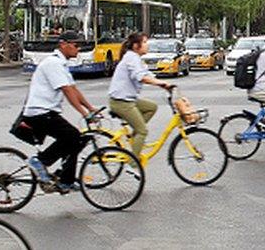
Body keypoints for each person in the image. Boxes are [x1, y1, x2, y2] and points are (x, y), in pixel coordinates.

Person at [21, 31, 99, 192]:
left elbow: (74, 89)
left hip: (48, 112)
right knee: (73, 137)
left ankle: (66, 179)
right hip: (39, 113)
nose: (78, 49)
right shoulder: (53, 64)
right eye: (76, 45)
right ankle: (39, 161)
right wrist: (84, 113)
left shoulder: (62, 64)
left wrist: (90, 108)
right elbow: (67, 91)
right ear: (63, 44)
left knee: (77, 140)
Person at [108, 32, 173, 158]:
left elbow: (147, 74)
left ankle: (135, 138)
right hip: (121, 102)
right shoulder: (131, 58)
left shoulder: (135, 58)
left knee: (151, 107)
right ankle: (132, 163)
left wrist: (162, 83)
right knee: (143, 131)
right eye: (144, 42)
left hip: (128, 100)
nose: (147, 45)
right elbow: (141, 77)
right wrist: (161, 84)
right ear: (136, 46)